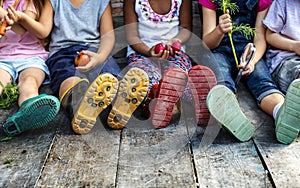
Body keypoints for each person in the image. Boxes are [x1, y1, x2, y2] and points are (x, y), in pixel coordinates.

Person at [7, 0, 148, 134]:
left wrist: (100, 57)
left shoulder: (101, 2)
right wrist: (22, 18)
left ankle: (120, 104)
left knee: (110, 77)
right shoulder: (54, 1)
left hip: (95, 51)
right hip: (62, 53)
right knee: (68, 79)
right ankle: (78, 103)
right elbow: (44, 30)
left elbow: (108, 37)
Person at [198, 0, 298, 144]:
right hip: (218, 52)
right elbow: (207, 43)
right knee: (221, 79)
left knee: (263, 81)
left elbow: (260, 38)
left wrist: (253, 60)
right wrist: (219, 30)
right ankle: (229, 114)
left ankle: (282, 112)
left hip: (249, 52)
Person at [124, 0, 216, 129]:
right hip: (141, 53)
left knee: (179, 76)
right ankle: (154, 101)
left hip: (174, 53)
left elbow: (185, 28)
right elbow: (131, 36)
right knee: (145, 79)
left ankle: (198, 101)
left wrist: (176, 40)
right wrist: (148, 51)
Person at [0, 0, 60, 137]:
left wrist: (5, 14)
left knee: (29, 81)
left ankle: (29, 111)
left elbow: (21, 29)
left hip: (32, 57)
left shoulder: (29, 4)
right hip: (3, 57)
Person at [262, 0, 300, 144]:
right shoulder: (283, 3)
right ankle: (293, 113)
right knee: (296, 73)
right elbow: (270, 36)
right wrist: (294, 46)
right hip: (285, 59)